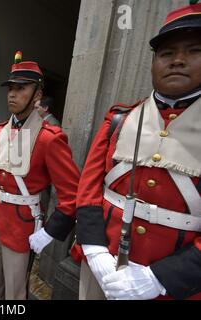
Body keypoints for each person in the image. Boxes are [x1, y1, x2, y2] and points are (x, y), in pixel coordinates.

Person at [72, 2, 201, 300]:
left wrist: (160, 278)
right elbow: (89, 189)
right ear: (154, 62)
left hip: (170, 287)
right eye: (167, 53)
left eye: (193, 51)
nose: (177, 61)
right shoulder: (119, 119)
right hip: (100, 265)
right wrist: (94, 251)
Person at [0, 52, 80, 300]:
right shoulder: (0, 130)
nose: (12, 94)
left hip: (21, 224)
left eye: (21, 88)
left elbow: (72, 194)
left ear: (37, 94)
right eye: (10, 89)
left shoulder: (50, 138)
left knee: (15, 291)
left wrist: (49, 231)